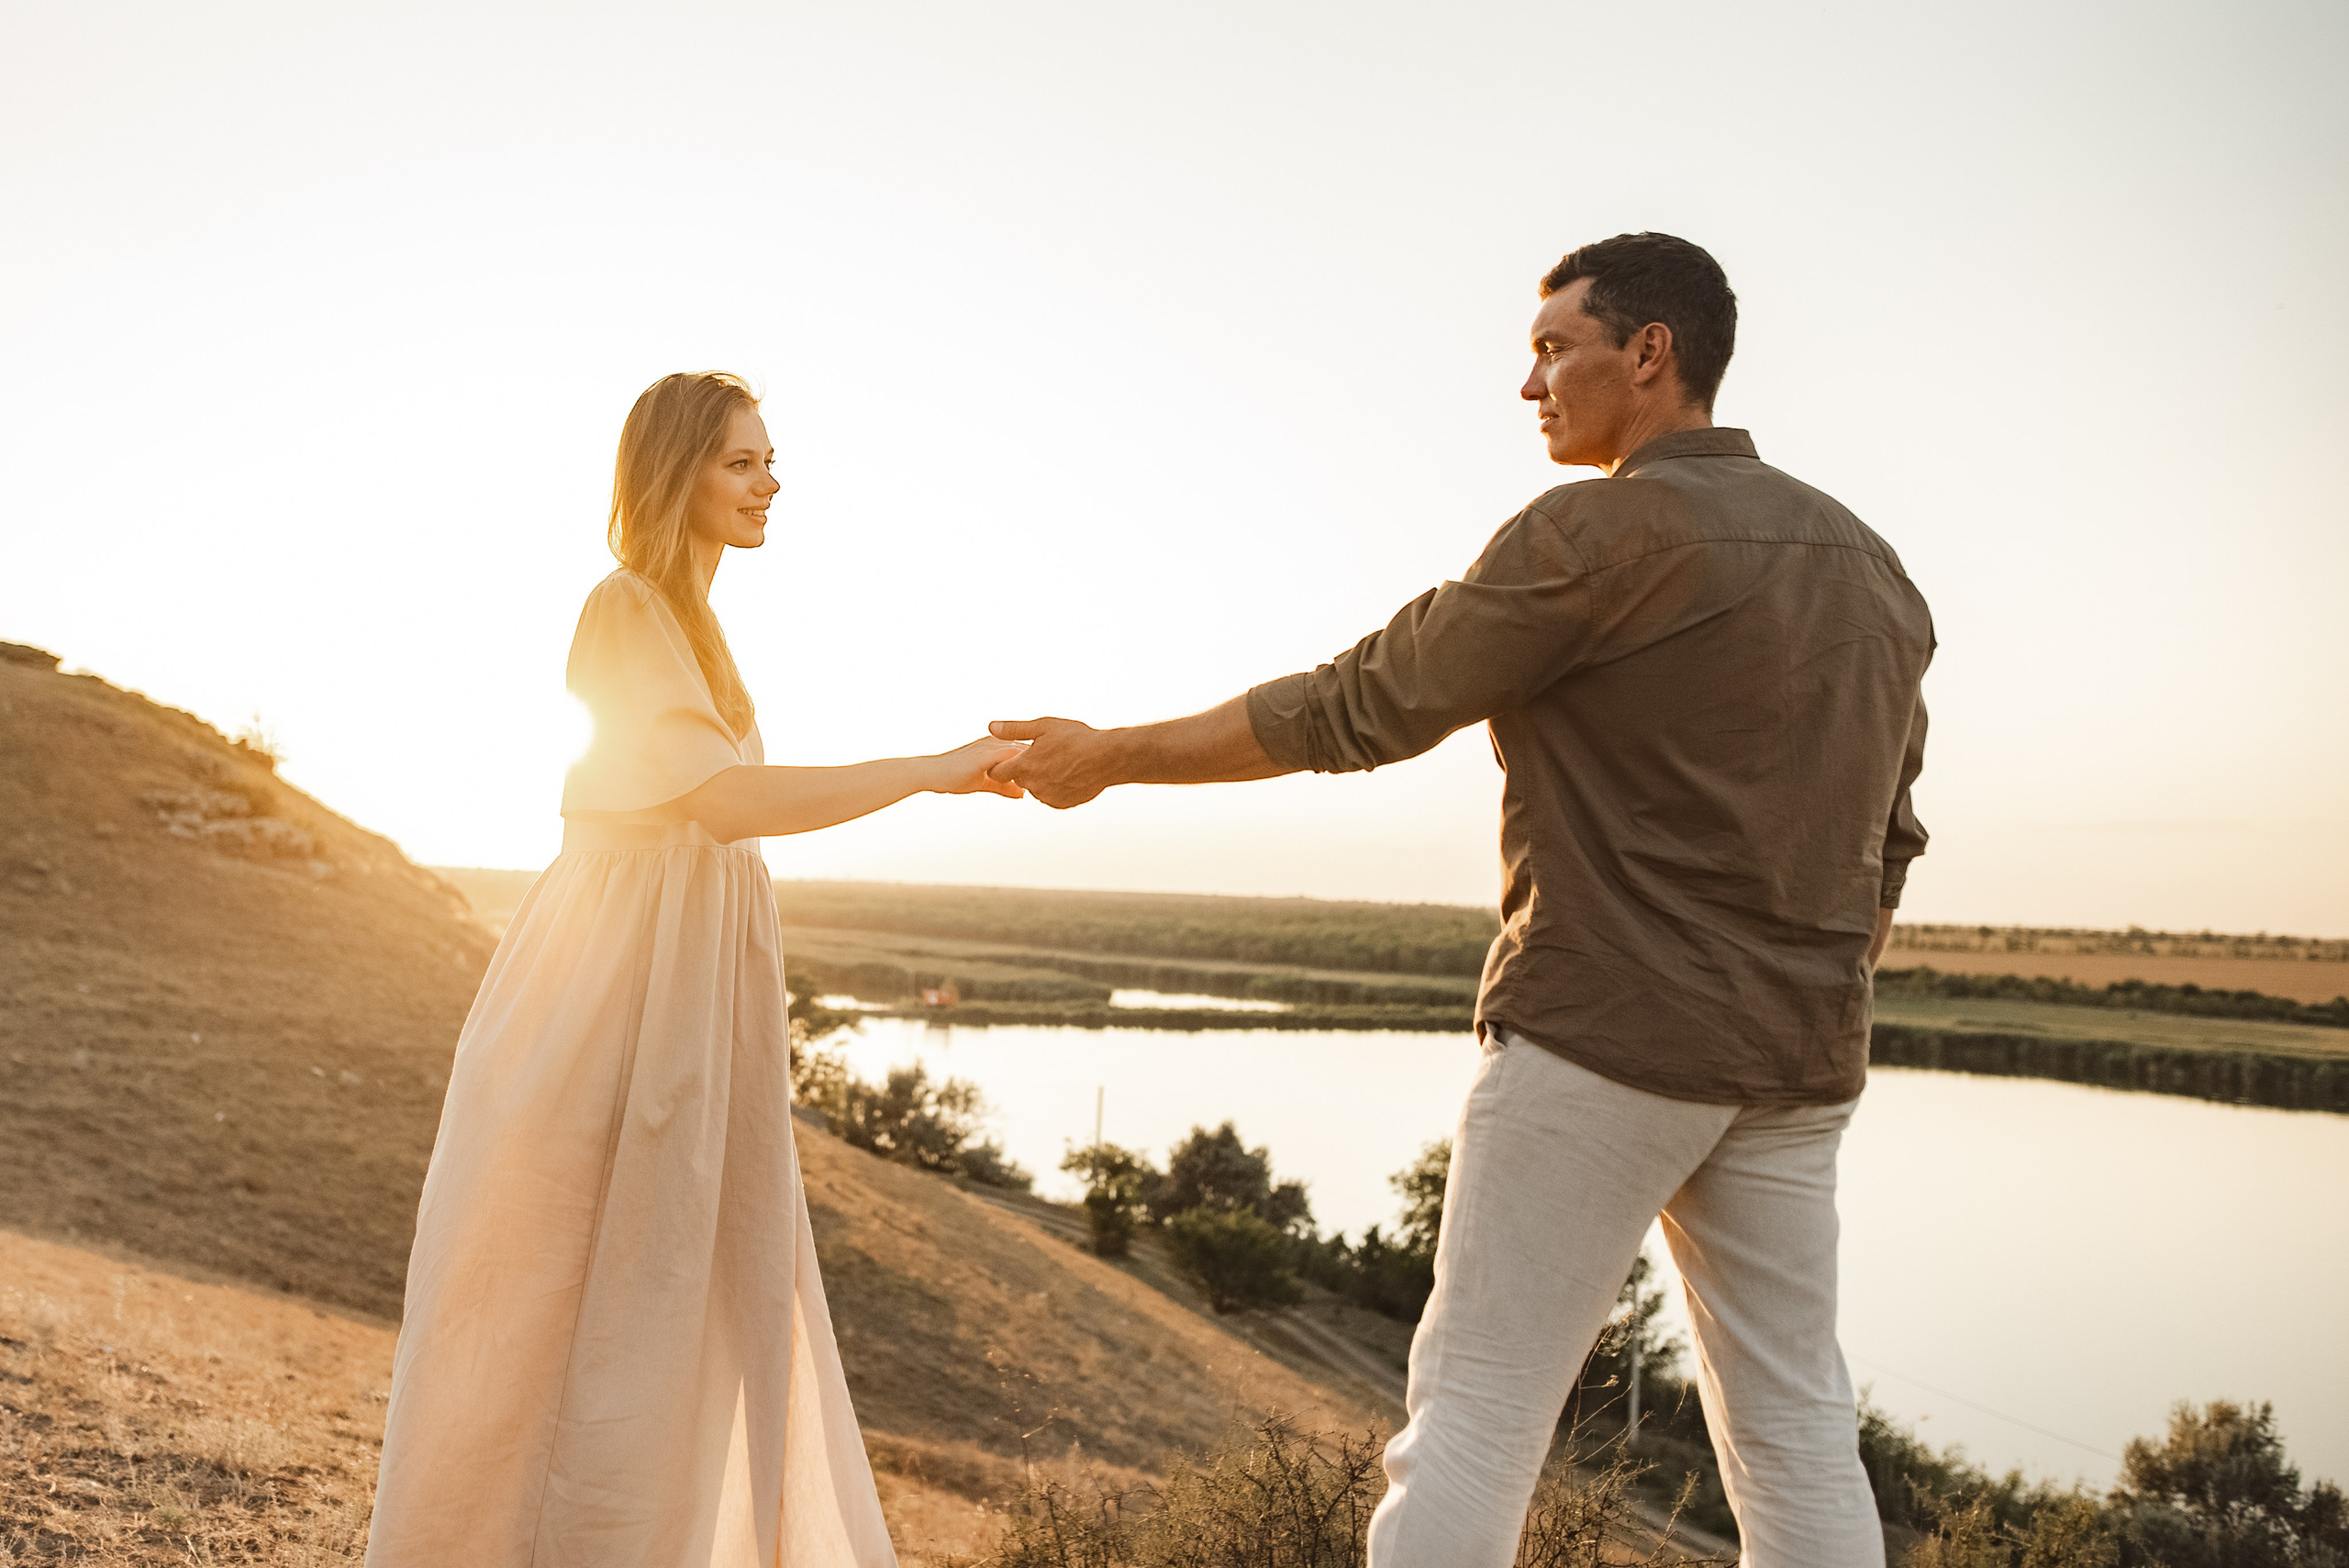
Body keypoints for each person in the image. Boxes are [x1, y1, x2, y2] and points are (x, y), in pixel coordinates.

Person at [991, 233, 1932, 1568]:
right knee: (1795, 1432)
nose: (1532, 383)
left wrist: (1112, 754)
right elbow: (1890, 840)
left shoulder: (1600, 532)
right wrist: (1802, 980)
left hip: (1601, 1038)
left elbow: (1360, 705)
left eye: (1556, 348)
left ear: (1651, 353)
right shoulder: (1873, 567)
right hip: (1797, 1065)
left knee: (1479, 1411)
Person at [366, 372, 1023, 1567]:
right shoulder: (623, 606)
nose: (771, 481)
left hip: (683, 996)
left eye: (772, 460)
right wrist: (929, 768)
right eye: (742, 461)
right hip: (614, 993)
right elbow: (720, 802)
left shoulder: (693, 620)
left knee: (683, 1296)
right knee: (557, 1306)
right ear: (675, 474)